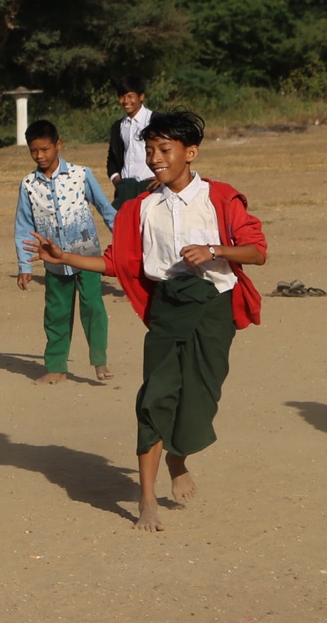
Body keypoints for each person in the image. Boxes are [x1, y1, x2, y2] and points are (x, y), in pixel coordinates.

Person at [27, 110, 266, 531]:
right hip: (167, 308)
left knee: (199, 400)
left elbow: (257, 251)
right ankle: (145, 499)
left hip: (213, 309)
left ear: (190, 153)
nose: (154, 158)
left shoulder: (221, 198)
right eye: (150, 149)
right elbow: (115, 264)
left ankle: (178, 458)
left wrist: (215, 250)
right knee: (154, 399)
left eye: (164, 149)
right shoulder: (140, 208)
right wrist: (64, 258)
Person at [13, 119, 117, 384]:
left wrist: (124, 239)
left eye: (45, 149)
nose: (40, 156)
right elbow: (24, 225)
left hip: (88, 258)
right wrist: (25, 266)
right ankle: (57, 367)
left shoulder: (81, 174)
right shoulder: (28, 185)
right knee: (56, 313)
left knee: (93, 307)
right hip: (54, 262)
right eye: (34, 150)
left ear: (58, 145)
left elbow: (106, 209)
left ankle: (99, 361)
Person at [105, 76, 157, 209]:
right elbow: (112, 159)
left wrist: (162, 178)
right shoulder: (118, 126)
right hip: (126, 189)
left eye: (130, 96)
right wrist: (118, 182)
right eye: (121, 97)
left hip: (151, 187)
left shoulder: (156, 120)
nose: (125, 101)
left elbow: (173, 150)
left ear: (141, 96)